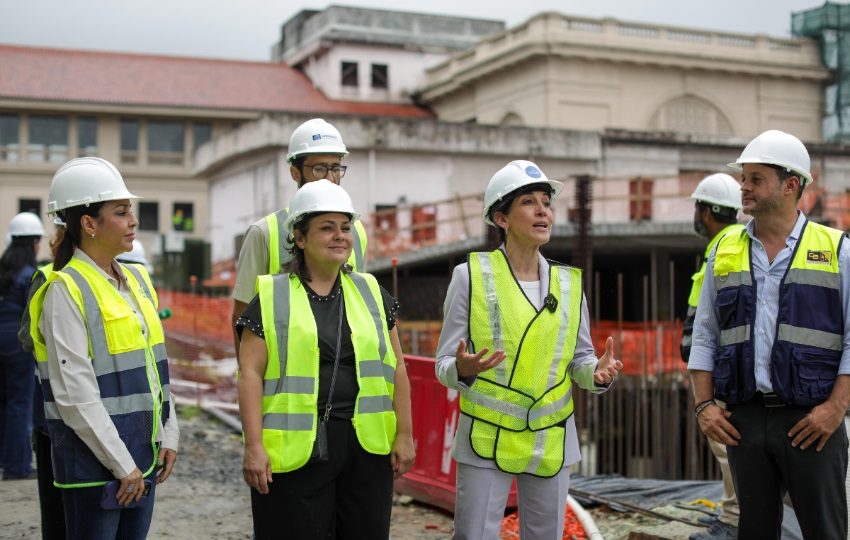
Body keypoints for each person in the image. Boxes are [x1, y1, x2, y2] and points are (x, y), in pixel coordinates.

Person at [435, 160, 623, 539]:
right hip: (487, 435)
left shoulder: (568, 284)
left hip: (549, 434)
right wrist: (463, 369)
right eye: (529, 202)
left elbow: (580, 360)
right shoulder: (470, 276)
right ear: (501, 218)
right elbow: (443, 363)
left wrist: (596, 374)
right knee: (475, 535)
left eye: (546, 203)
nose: (543, 212)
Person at [689, 130, 850, 538]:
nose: (743, 187)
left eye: (756, 179)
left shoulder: (837, 249)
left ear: (790, 184)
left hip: (812, 420)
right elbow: (705, 334)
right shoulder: (724, 252)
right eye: (743, 177)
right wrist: (704, 406)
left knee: (825, 532)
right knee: (754, 531)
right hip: (745, 418)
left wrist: (836, 409)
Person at [236, 179, 414, 539]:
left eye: (345, 228)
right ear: (300, 238)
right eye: (327, 228)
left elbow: (398, 366)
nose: (340, 236)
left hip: (365, 446)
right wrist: (253, 446)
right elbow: (249, 373)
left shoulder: (371, 292)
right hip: (296, 449)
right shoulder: (271, 295)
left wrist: (405, 434)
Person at [28, 157, 179, 539]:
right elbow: (74, 395)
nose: (133, 221)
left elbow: (155, 369)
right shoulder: (65, 289)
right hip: (95, 467)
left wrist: (169, 434)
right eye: (121, 212)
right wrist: (122, 465)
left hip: (142, 457)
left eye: (131, 211)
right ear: (89, 224)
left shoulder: (137, 280)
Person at [231, 118, 368, 358]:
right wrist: (250, 373)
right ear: (295, 173)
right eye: (319, 169)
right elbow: (242, 316)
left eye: (336, 168)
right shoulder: (265, 232)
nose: (330, 178)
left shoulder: (356, 232)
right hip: (284, 370)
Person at [680, 173, 743, 540]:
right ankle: (732, 513)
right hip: (717, 366)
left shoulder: (727, 247)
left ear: (705, 212)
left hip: (719, 371)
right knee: (725, 446)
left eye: (697, 208)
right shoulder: (725, 244)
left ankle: (735, 520)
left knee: (725, 446)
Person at [0, 211, 44, 480]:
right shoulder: (30, 275)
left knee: (3, 401)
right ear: (34, 243)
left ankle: (4, 459)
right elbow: (34, 316)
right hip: (17, 345)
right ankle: (16, 466)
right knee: (19, 404)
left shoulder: (3, 271)